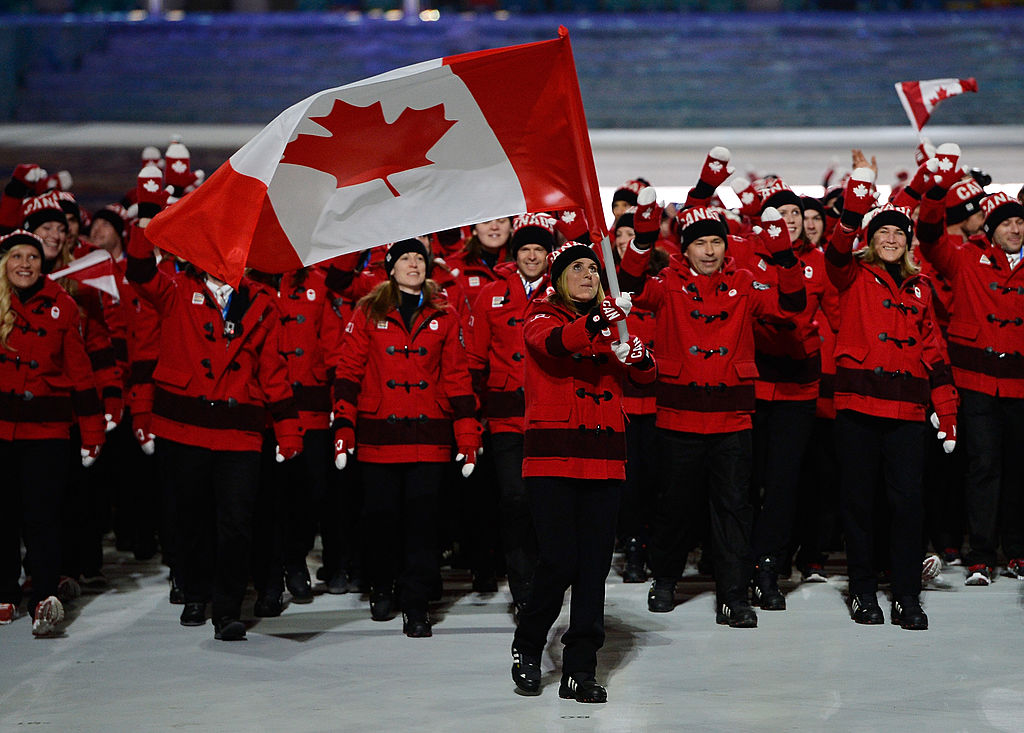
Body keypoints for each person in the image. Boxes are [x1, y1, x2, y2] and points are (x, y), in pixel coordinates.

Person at [619, 186, 806, 629]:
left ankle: (734, 594)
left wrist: (785, 257)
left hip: (732, 417)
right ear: (685, 248)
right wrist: (643, 240)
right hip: (679, 415)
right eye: (700, 242)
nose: (709, 250)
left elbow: (790, 308)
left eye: (716, 241)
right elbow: (628, 286)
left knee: (734, 508)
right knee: (674, 506)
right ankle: (664, 579)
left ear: (726, 246)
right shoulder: (666, 285)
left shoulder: (743, 283)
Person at [126, 177, 302, 642]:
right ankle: (197, 594)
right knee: (190, 518)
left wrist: (288, 431)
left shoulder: (262, 301)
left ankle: (227, 608)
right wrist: (150, 211)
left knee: (237, 522)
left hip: (239, 430)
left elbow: (273, 369)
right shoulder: (176, 288)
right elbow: (140, 269)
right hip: (183, 425)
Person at [510, 239, 656, 703]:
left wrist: (638, 355)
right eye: (578, 268)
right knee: (559, 560)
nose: (589, 275)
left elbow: (646, 374)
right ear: (557, 278)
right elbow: (553, 345)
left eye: (594, 269)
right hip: (553, 457)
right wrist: (599, 320)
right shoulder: (539, 313)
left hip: (604, 455)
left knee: (593, 568)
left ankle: (581, 667)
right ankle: (529, 645)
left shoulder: (614, 322)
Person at [825, 166, 957, 630]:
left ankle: (906, 595)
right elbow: (836, 254)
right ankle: (863, 591)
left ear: (908, 242)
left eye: (898, 234)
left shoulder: (920, 289)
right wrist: (850, 215)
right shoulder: (851, 276)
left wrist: (948, 413)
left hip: (905, 411)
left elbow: (934, 354)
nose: (891, 239)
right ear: (870, 239)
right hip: (858, 409)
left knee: (907, 505)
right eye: (882, 232)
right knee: (858, 504)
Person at [330, 238, 482, 638]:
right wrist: (344, 427)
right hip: (379, 435)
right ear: (390, 268)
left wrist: (467, 435)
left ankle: (416, 604)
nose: (413, 264)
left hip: (429, 437)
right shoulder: (368, 310)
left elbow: (457, 379)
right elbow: (348, 372)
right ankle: (382, 585)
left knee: (423, 523)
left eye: (420, 259)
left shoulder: (444, 315)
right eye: (405, 259)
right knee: (381, 518)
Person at [916, 185, 1024, 585]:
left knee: (1018, 470)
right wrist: (935, 187)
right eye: (1006, 223)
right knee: (983, 467)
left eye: (1019, 222)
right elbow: (928, 237)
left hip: (1020, 386)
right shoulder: (964, 258)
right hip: (976, 384)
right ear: (990, 229)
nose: (1015, 229)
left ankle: (1016, 552)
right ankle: (980, 555)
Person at [0, 230, 105, 636]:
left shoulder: (64, 306)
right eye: (16, 257)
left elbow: (81, 376)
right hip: (3, 431)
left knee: (42, 517)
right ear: (5, 263)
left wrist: (93, 431)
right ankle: (5, 591)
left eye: (33, 257)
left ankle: (44, 595)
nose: (25, 264)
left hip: (46, 432)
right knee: (3, 515)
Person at [467, 214, 555, 615]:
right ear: (515, 254)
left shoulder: (563, 292)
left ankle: (549, 577)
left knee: (547, 502)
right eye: (525, 249)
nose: (532, 256)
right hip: (506, 417)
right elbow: (474, 358)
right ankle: (523, 588)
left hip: (552, 415)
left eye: (539, 249)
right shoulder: (490, 294)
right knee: (515, 498)